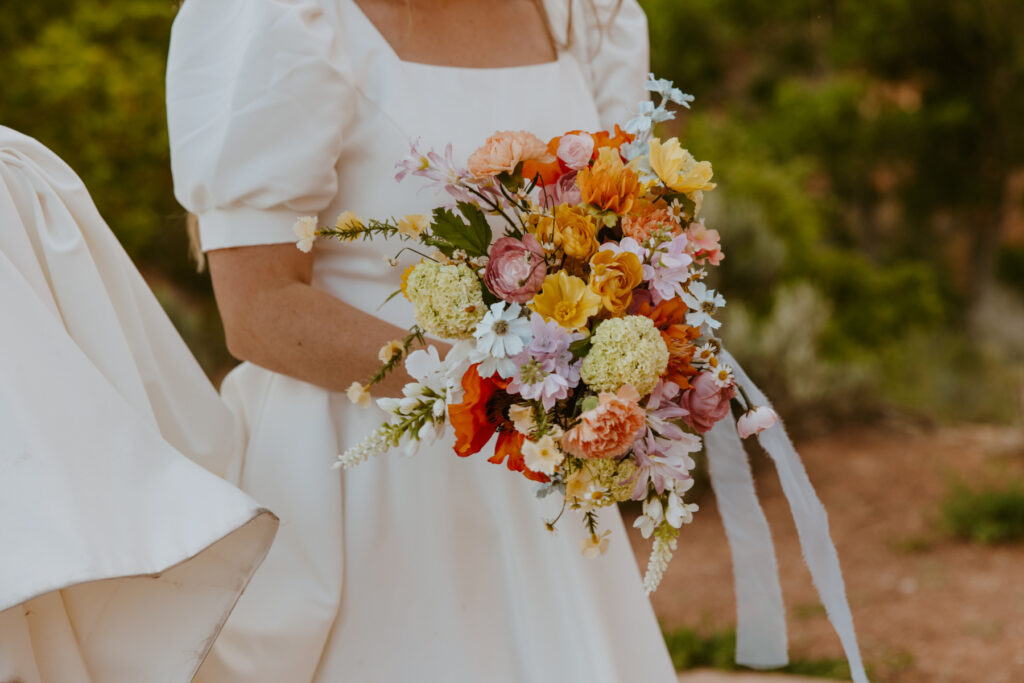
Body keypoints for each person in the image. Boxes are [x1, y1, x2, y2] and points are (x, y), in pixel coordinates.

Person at [166, 0, 682, 681]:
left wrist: (627, 355)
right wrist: (502, 388)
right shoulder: (286, 19)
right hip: (359, 485)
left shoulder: (588, 17)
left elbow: (622, 231)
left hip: (535, 487)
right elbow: (259, 309)